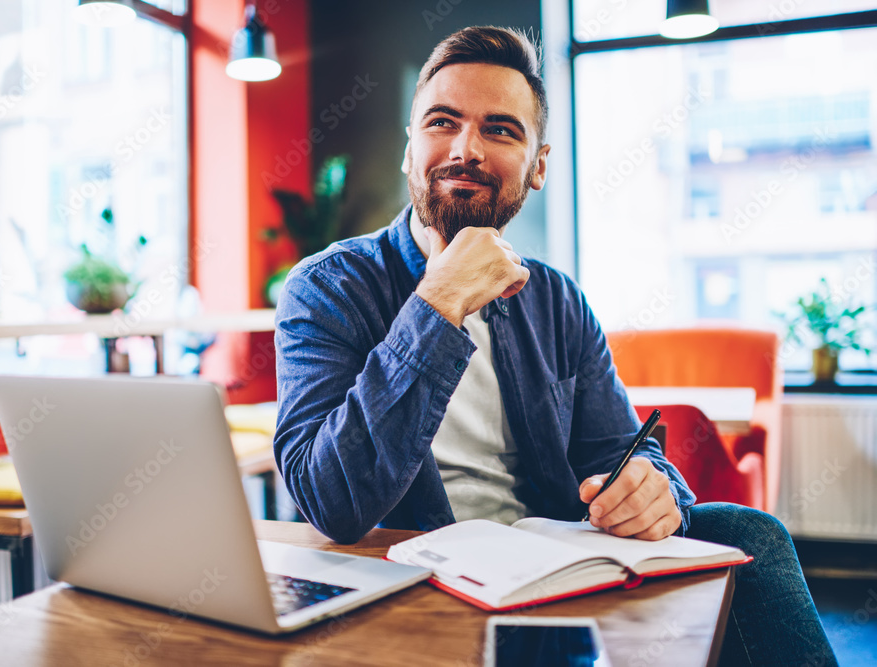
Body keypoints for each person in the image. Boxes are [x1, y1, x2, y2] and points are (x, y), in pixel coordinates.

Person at [273, 26, 836, 666]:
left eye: (501, 130)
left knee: (752, 531)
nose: (465, 149)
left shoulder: (558, 300)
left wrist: (653, 488)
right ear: (410, 150)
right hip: (410, 571)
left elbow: (622, 452)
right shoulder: (327, 288)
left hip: (550, 570)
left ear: (538, 166)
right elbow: (331, 501)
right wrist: (439, 303)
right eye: (441, 122)